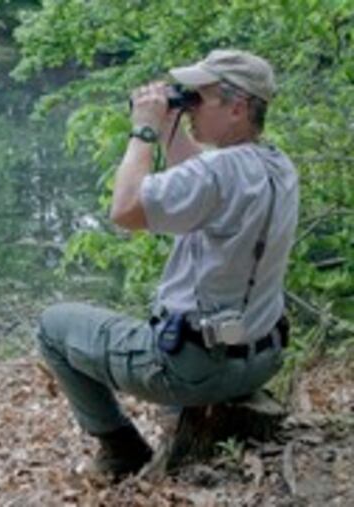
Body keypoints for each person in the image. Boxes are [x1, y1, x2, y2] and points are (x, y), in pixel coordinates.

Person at [36, 49, 299, 478]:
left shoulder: (217, 173)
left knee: (53, 326)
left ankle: (119, 448)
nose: (189, 103)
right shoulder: (278, 166)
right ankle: (175, 421)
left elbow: (125, 211)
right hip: (259, 362)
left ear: (236, 108)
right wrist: (172, 125)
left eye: (199, 98)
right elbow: (204, 177)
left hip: (191, 369)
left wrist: (143, 131)